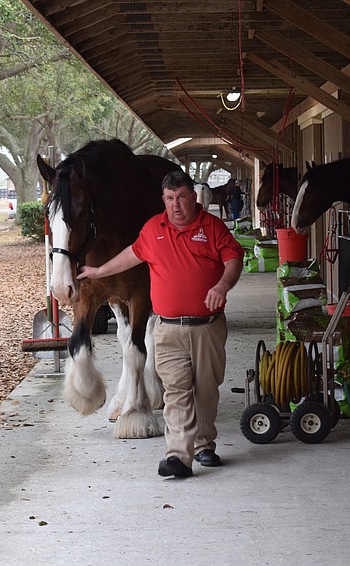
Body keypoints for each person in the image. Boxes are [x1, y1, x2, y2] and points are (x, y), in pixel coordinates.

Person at [77, 170, 244, 478]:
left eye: (181, 197)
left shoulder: (212, 227)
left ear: (193, 197)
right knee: (176, 391)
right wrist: (99, 271)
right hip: (167, 329)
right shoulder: (154, 228)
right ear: (163, 200)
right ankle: (179, 456)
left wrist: (222, 285)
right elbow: (131, 255)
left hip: (206, 327)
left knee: (205, 390)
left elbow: (234, 258)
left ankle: (205, 444)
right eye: (169, 199)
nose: (176, 206)